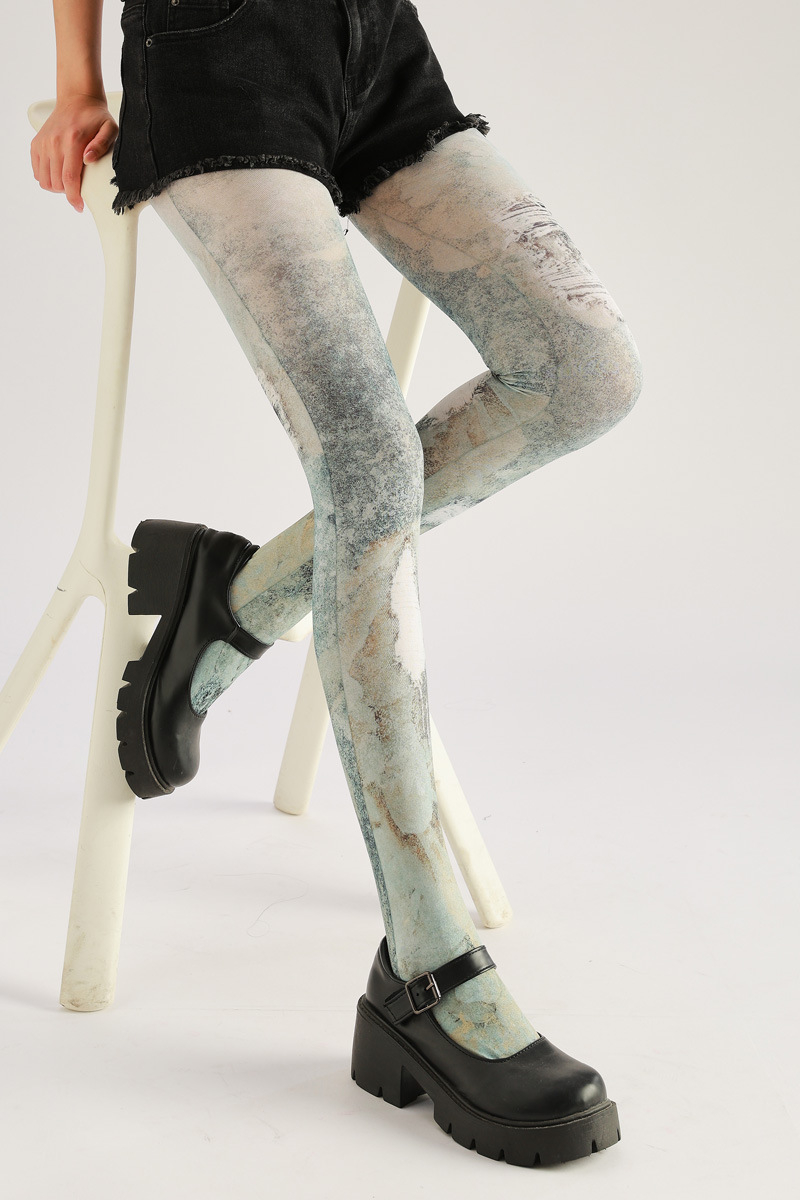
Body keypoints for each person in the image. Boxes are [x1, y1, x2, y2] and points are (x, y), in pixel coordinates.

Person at [32, 0, 642, 1168]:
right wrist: (77, 83)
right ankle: (425, 962)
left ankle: (234, 607)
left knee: (588, 371)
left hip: (371, 44)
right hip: (213, 53)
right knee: (367, 461)